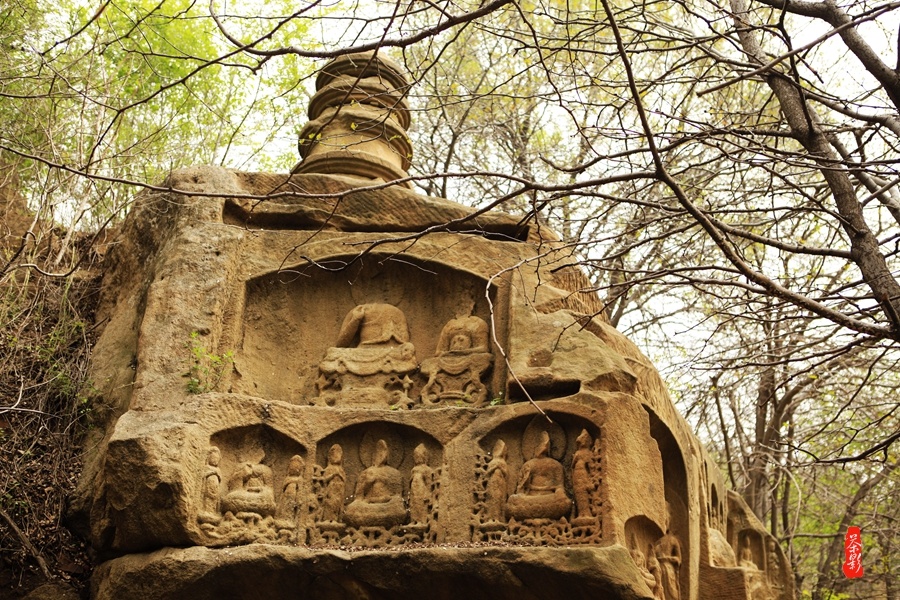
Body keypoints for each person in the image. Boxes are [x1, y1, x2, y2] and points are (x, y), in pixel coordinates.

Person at [484, 439, 510, 522]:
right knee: (492, 499)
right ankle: (490, 518)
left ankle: (498, 518)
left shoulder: (503, 462)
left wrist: (501, 468)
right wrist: (495, 467)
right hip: (492, 483)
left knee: (499, 499)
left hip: (501, 483)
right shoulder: (492, 462)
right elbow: (487, 473)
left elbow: (506, 474)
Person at [408, 444, 434, 524]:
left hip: (422, 491)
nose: (416, 457)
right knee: (413, 505)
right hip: (413, 491)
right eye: (415, 456)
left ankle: (421, 521)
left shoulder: (427, 469)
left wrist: (428, 494)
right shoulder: (413, 469)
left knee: (421, 506)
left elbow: (429, 483)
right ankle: (414, 520)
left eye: (418, 456)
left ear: (424, 457)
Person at [320, 444, 346, 522]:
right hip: (331, 489)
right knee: (330, 503)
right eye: (334, 456)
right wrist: (333, 475)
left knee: (339, 505)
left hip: (340, 490)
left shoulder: (341, 470)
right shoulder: (329, 469)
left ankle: (338, 519)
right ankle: (329, 519)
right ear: (330, 458)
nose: (337, 458)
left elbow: (344, 480)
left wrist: (340, 477)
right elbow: (324, 480)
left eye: (339, 456)